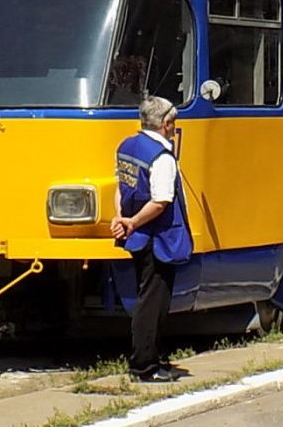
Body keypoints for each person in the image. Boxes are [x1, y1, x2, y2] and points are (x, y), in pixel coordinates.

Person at [110, 95, 193, 382]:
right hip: (157, 240)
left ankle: (148, 358)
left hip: (136, 238)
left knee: (146, 298)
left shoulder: (127, 146)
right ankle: (145, 365)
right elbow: (161, 202)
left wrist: (120, 218)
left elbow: (121, 187)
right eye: (174, 122)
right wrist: (131, 222)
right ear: (166, 124)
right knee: (153, 303)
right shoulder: (162, 157)